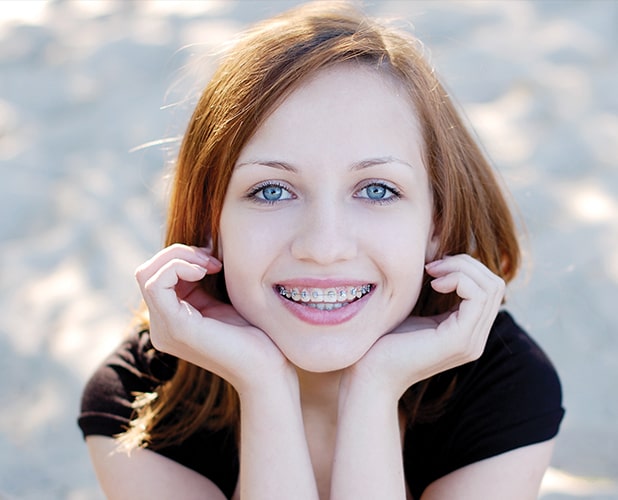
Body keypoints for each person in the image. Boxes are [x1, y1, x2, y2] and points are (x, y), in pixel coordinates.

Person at [78, 2, 564, 499]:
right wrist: (263, 385)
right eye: (271, 190)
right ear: (211, 223)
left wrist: (375, 388)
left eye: (376, 189)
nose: (323, 247)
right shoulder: (140, 395)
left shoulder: (504, 382)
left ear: (436, 223)